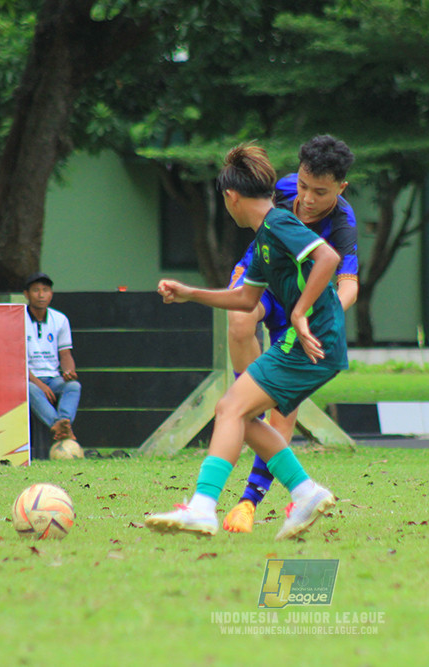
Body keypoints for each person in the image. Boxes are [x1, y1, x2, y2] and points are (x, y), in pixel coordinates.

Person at [147, 143, 345, 541]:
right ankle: (305, 492)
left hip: (310, 342)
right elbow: (244, 299)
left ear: (231, 197)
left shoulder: (278, 225)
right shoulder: (264, 240)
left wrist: (299, 312)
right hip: (311, 344)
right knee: (244, 417)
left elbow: (328, 259)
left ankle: (203, 507)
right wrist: (190, 293)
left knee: (229, 408)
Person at [222, 135, 357, 533]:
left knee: (282, 413)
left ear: (340, 189)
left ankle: (248, 503)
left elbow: (348, 284)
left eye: (321, 192)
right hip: (264, 278)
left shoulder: (343, 223)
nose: (307, 198)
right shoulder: (279, 189)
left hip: (307, 303)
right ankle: (247, 401)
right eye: (302, 186)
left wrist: (320, 317)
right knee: (240, 320)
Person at [24, 272, 81, 442]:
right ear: (26, 294)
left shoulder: (60, 319)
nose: (41, 295)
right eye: (35, 290)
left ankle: (64, 423)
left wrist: (69, 371)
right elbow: (15, 361)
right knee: (30, 389)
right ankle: (57, 424)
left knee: (73, 386)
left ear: (51, 294)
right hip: (29, 378)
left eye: (45, 290)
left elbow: (65, 354)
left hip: (52, 378)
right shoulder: (18, 318)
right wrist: (39, 383)